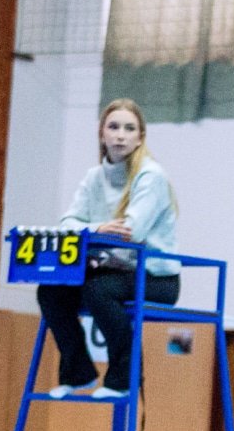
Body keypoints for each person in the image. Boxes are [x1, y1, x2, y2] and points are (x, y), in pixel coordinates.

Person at [36, 99, 181, 399]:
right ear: (102, 134)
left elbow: (131, 231)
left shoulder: (150, 176)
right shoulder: (93, 177)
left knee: (98, 290)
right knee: (50, 290)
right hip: (109, 272)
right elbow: (67, 223)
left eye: (129, 129)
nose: (120, 135)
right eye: (113, 127)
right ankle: (78, 373)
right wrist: (97, 229)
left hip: (155, 278)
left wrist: (89, 232)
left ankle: (123, 378)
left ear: (140, 137)